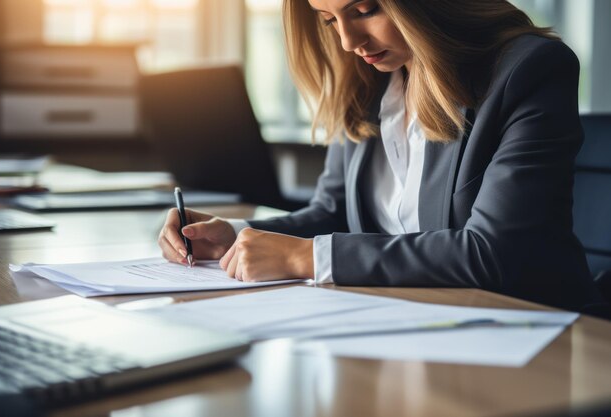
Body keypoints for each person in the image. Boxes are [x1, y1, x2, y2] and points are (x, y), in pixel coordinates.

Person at [159, 0, 599, 311]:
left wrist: (305, 257)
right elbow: (334, 214)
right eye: (329, 19)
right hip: (404, 317)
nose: (349, 41)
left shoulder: (529, 69)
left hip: (527, 327)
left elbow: (493, 251)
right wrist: (237, 236)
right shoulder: (367, 84)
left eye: (365, 9)